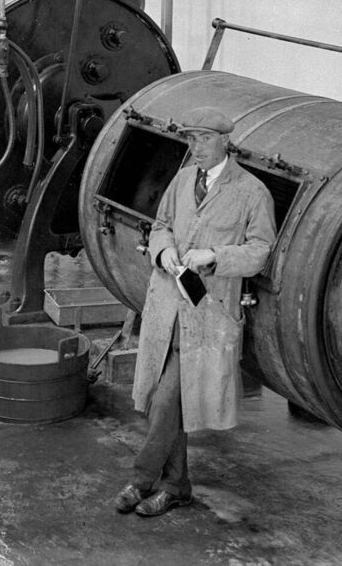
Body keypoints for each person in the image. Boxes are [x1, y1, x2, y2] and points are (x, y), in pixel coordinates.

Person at [114, 106, 277, 518]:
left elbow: (261, 251)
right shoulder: (184, 179)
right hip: (167, 305)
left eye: (204, 138)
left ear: (226, 141)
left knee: (168, 398)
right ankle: (177, 485)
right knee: (164, 399)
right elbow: (161, 224)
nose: (195, 147)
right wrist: (165, 250)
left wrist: (216, 256)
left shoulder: (252, 192)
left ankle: (142, 477)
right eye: (191, 138)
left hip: (208, 313)